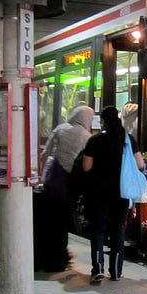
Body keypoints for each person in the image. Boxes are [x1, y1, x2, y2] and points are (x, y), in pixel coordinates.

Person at [82, 105, 143, 283]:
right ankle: (116, 272)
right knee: (118, 232)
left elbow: (86, 167)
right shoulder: (128, 139)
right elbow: (139, 164)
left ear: (103, 122)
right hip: (122, 193)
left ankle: (97, 269)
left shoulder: (95, 141)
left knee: (98, 231)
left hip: (99, 192)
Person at [39, 105, 94, 271]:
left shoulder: (60, 129)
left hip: (51, 182)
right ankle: (59, 259)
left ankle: (46, 257)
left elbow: (45, 154)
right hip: (69, 186)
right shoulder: (87, 137)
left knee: (49, 222)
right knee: (62, 224)